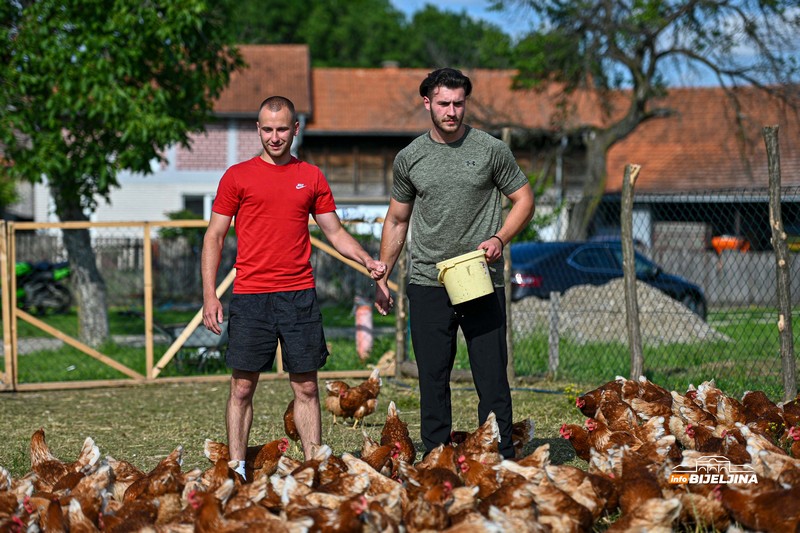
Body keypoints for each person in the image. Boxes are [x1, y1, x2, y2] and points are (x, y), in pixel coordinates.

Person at [202, 96, 386, 475]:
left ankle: (313, 467)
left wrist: (367, 260)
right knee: (241, 388)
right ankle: (237, 467)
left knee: (306, 389)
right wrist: (210, 294)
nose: (274, 136)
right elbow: (214, 237)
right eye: (267, 129)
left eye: (282, 128)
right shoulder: (237, 176)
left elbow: (334, 232)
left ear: (295, 129)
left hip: (298, 296)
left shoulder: (312, 176)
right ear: (258, 129)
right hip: (251, 296)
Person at [374, 68, 535, 460]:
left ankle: (499, 458)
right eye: (443, 103)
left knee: (492, 377)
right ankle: (437, 456)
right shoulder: (410, 158)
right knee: (432, 378)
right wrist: (381, 273)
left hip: (480, 279)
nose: (452, 111)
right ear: (427, 102)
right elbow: (397, 220)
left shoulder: (491, 150)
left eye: (459, 103)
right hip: (428, 280)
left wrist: (499, 238)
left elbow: (525, 200)